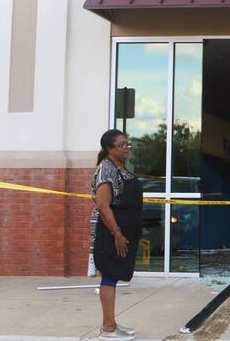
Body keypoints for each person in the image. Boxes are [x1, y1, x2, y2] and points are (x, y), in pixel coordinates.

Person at [88, 129, 142, 341]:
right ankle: (108, 329)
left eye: (128, 144)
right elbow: (103, 206)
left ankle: (111, 323)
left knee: (115, 274)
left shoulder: (121, 167)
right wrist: (117, 234)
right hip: (111, 232)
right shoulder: (106, 169)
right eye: (122, 145)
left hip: (125, 231)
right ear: (108, 148)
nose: (126, 148)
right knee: (110, 275)